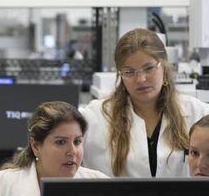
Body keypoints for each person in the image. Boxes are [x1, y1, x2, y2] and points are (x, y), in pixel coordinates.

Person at [82, 28, 209, 178]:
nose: (141, 79)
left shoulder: (197, 112)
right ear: (120, 75)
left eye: (148, 68)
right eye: (129, 72)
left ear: (164, 66)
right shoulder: (94, 117)